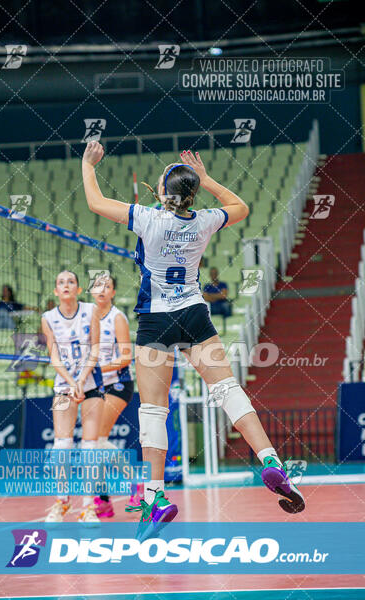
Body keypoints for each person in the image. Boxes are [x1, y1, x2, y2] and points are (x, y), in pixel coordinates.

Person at [82, 142, 305, 539]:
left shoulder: (147, 218)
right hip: (194, 314)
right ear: (191, 192)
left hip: (156, 322)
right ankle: (271, 460)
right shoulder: (203, 220)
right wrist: (208, 179)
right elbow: (241, 208)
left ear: (164, 191)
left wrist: (87, 163)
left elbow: (95, 201)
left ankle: (156, 498)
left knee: (153, 411)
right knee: (228, 389)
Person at [41, 270, 103, 523]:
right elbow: (53, 356)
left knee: (90, 447)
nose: (66, 285)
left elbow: (95, 348)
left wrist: (81, 380)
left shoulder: (91, 310)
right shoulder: (48, 318)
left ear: (78, 289)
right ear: (56, 291)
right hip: (64, 383)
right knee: (62, 445)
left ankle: (88, 508)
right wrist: (70, 382)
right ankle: (61, 502)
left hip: (90, 382)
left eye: (71, 282)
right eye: (61, 282)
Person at [90, 274, 142, 517]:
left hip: (118, 384)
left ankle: (135, 484)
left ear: (112, 292)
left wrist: (98, 368)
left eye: (107, 286)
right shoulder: (85, 318)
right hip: (95, 386)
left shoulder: (117, 318)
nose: (101, 290)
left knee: (97, 439)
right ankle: (104, 500)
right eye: (97, 286)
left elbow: (126, 357)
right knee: (93, 444)